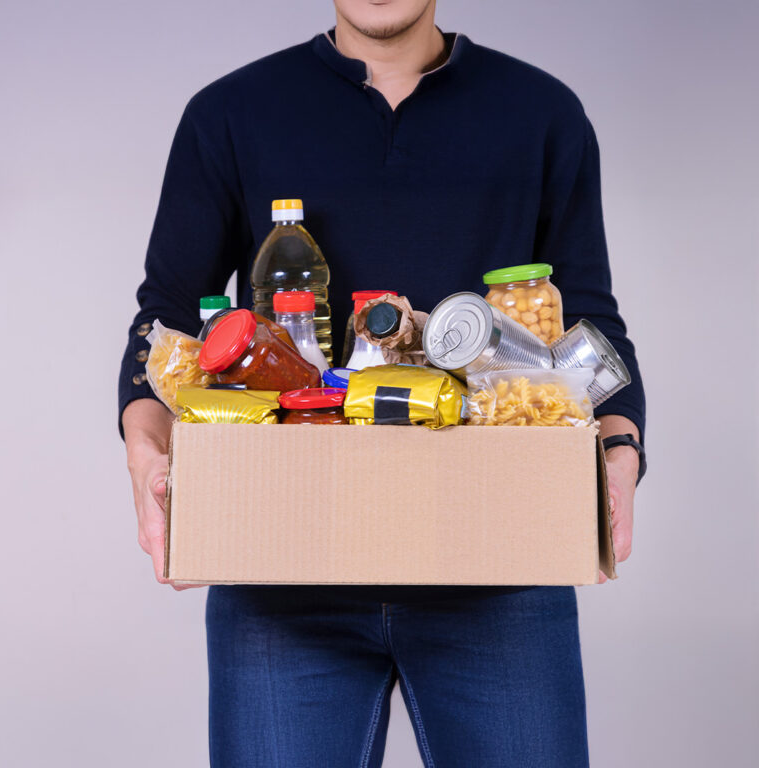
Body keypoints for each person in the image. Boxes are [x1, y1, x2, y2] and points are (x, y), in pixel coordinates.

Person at [119, 1, 645, 765]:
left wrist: (621, 443)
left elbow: (588, 323)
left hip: (498, 561)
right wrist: (145, 447)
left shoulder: (540, 113)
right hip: (283, 567)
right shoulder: (231, 113)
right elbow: (164, 316)